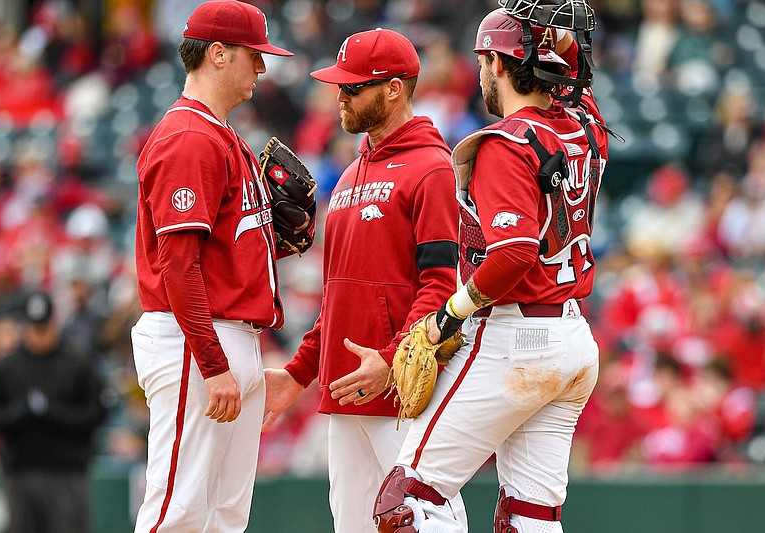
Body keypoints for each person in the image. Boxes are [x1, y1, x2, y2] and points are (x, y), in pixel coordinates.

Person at [374, 7, 611, 533]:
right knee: (530, 516)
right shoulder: (586, 128)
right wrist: (554, 40)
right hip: (572, 336)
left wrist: (447, 316)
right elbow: (580, 76)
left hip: (513, 339)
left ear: (496, 64)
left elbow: (513, 253)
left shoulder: (506, 143)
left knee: (408, 501)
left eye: (484, 61)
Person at [262, 28, 462, 532]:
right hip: (346, 389)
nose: (341, 96)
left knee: (428, 521)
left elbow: (442, 287)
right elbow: (337, 298)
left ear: (394, 89)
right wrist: (298, 374)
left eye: (354, 87)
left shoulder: (431, 168)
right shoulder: (349, 173)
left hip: (402, 391)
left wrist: (393, 360)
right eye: (340, 85)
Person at [130, 1, 296, 531]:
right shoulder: (190, 137)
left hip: (228, 337)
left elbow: (224, 255)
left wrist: (281, 241)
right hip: (195, 341)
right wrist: (213, 361)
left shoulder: (221, 134)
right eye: (254, 55)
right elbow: (178, 267)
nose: (262, 68)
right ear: (218, 55)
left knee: (224, 518)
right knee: (176, 513)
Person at [0, 292, 108, 533]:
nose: (38, 335)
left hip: (67, 471)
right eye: (33, 328)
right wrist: (17, 415)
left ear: (54, 323)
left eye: (43, 328)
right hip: (20, 470)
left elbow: (97, 412)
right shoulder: (8, 366)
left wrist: (55, 414)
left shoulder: (78, 361)